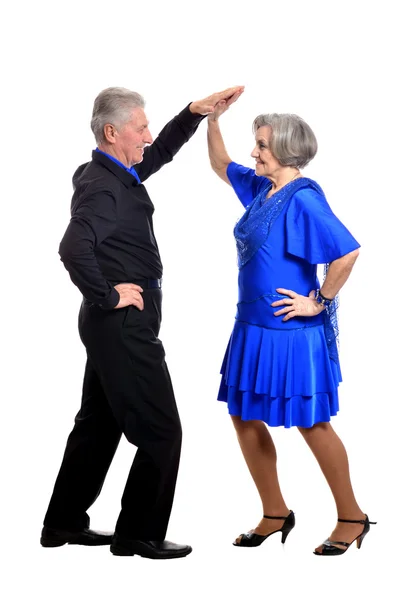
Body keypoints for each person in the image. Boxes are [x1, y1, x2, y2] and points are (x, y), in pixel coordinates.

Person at [41, 85, 243, 560]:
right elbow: (72, 248)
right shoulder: (104, 187)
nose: (149, 136)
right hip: (122, 322)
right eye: (141, 127)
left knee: (98, 423)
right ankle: (139, 534)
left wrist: (194, 114)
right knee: (161, 430)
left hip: (112, 323)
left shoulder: (112, 172)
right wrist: (108, 295)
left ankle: (63, 522)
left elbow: (162, 154)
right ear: (112, 132)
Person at [207, 94, 376, 556]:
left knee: (312, 423)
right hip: (251, 329)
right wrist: (213, 120)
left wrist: (318, 301)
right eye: (255, 143)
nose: (253, 153)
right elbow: (221, 165)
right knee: (242, 415)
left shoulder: (302, 199)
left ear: (285, 150)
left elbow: (347, 252)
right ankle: (275, 511)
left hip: (291, 335)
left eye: (260, 145)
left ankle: (351, 517)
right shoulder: (263, 188)